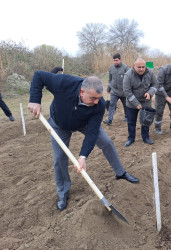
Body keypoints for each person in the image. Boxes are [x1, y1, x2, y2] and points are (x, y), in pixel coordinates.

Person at [28, 71, 139, 211]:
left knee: (106, 142)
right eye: (93, 98)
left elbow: (92, 132)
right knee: (60, 158)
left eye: (99, 98)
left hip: (85, 123)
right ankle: (63, 192)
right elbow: (39, 76)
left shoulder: (99, 105)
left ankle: (120, 173)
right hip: (59, 125)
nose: (97, 102)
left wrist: (82, 156)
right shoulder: (63, 82)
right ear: (82, 91)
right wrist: (35, 100)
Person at [123, 58, 158, 147]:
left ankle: (145, 138)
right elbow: (127, 91)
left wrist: (150, 93)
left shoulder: (150, 72)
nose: (142, 69)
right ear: (134, 66)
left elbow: (155, 84)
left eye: (143, 67)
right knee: (131, 121)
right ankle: (131, 138)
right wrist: (136, 103)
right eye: (139, 67)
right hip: (131, 103)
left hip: (146, 101)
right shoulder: (128, 75)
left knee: (146, 121)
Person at [103, 53, 130, 126]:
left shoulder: (126, 68)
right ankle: (109, 120)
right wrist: (108, 88)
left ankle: (127, 117)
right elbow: (110, 79)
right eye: (114, 60)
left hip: (124, 91)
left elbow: (130, 79)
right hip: (114, 91)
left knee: (125, 105)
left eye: (116, 60)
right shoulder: (111, 67)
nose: (115, 62)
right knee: (112, 104)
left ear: (120, 60)